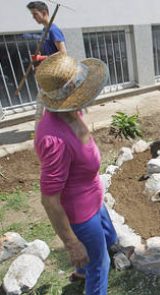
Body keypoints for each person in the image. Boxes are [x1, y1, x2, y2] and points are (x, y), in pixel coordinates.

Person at [34, 52, 117, 294]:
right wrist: (72, 243)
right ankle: (88, 270)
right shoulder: (53, 140)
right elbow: (48, 200)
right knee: (101, 265)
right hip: (79, 211)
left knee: (110, 239)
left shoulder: (71, 110)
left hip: (94, 196)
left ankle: (82, 270)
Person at [27, 1, 67, 129]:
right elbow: (50, 52)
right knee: (44, 103)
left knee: (49, 103)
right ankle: (42, 129)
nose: (33, 18)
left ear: (44, 13)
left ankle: (42, 131)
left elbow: (63, 53)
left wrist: (41, 58)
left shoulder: (53, 30)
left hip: (57, 75)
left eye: (35, 14)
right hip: (49, 74)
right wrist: (40, 58)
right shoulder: (45, 30)